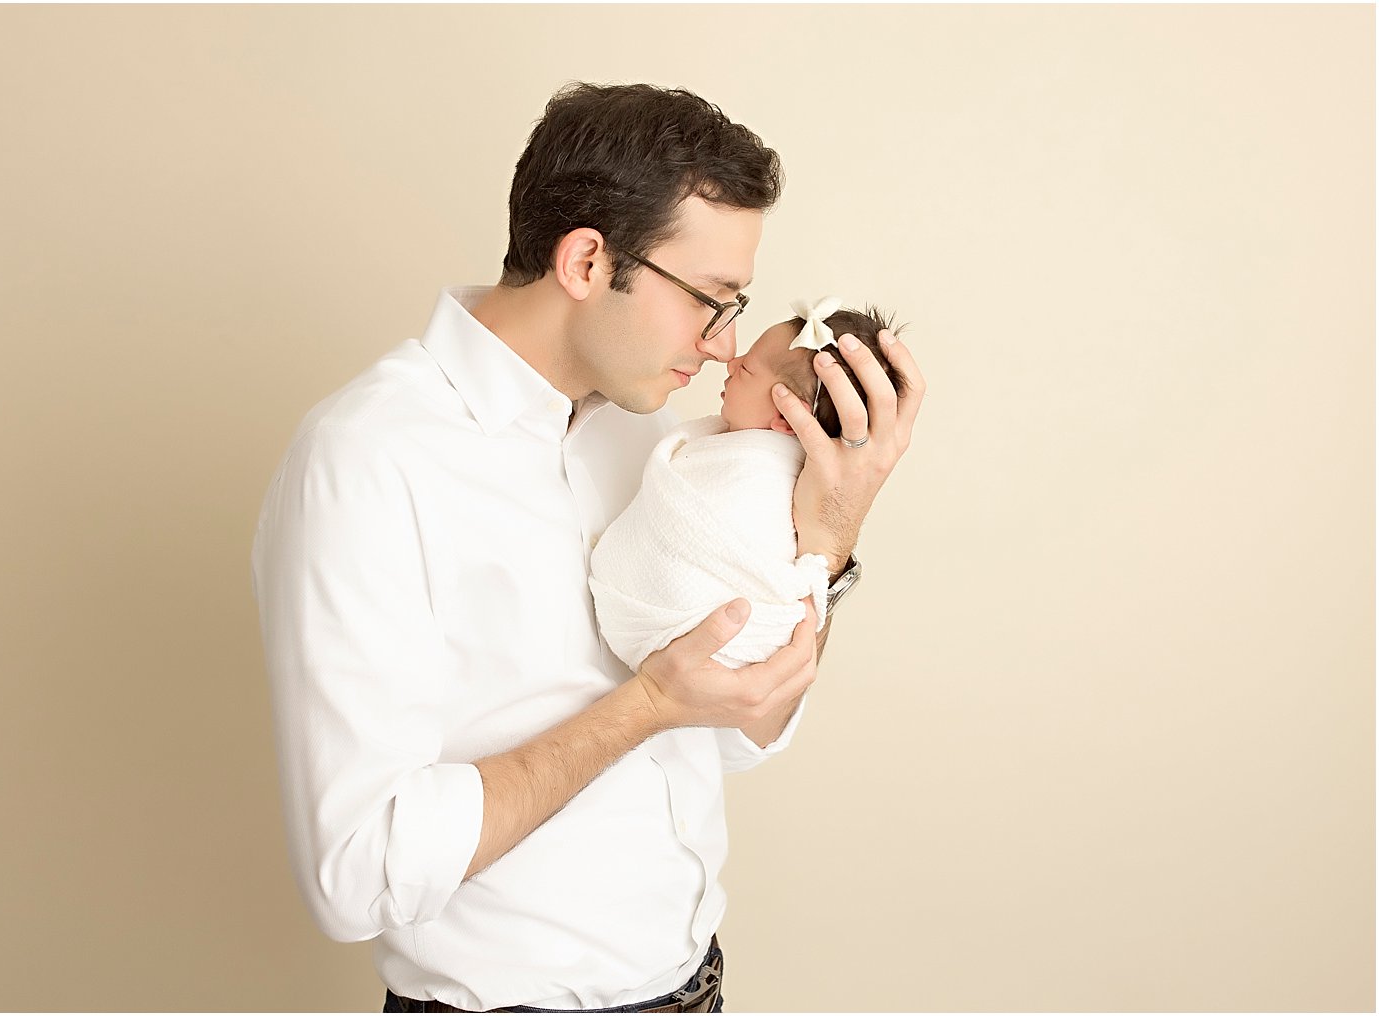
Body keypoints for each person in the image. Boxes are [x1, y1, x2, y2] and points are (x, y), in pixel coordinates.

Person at [251, 82, 925, 1014]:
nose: (727, 347)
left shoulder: (663, 447)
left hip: (695, 987)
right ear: (584, 261)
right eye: (710, 301)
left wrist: (830, 536)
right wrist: (645, 706)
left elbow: (744, 732)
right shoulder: (368, 461)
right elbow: (356, 875)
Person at [589, 300, 910, 672]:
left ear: (788, 417)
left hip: (705, 632)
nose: (731, 361)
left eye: (749, 369)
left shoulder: (764, 475)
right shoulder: (717, 447)